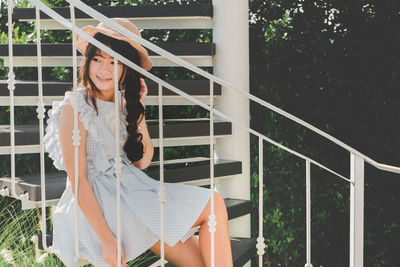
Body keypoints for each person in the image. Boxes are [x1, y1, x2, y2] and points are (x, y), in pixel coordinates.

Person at [43, 18, 233, 267]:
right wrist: (106, 239)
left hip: (132, 189)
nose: (103, 69)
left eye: (114, 62)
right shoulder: (76, 105)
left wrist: (139, 110)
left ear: (126, 68)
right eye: (97, 59)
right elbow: (78, 180)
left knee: (208, 230)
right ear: (87, 60)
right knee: (212, 209)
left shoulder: (124, 102)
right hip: (103, 200)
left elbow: (143, 161)